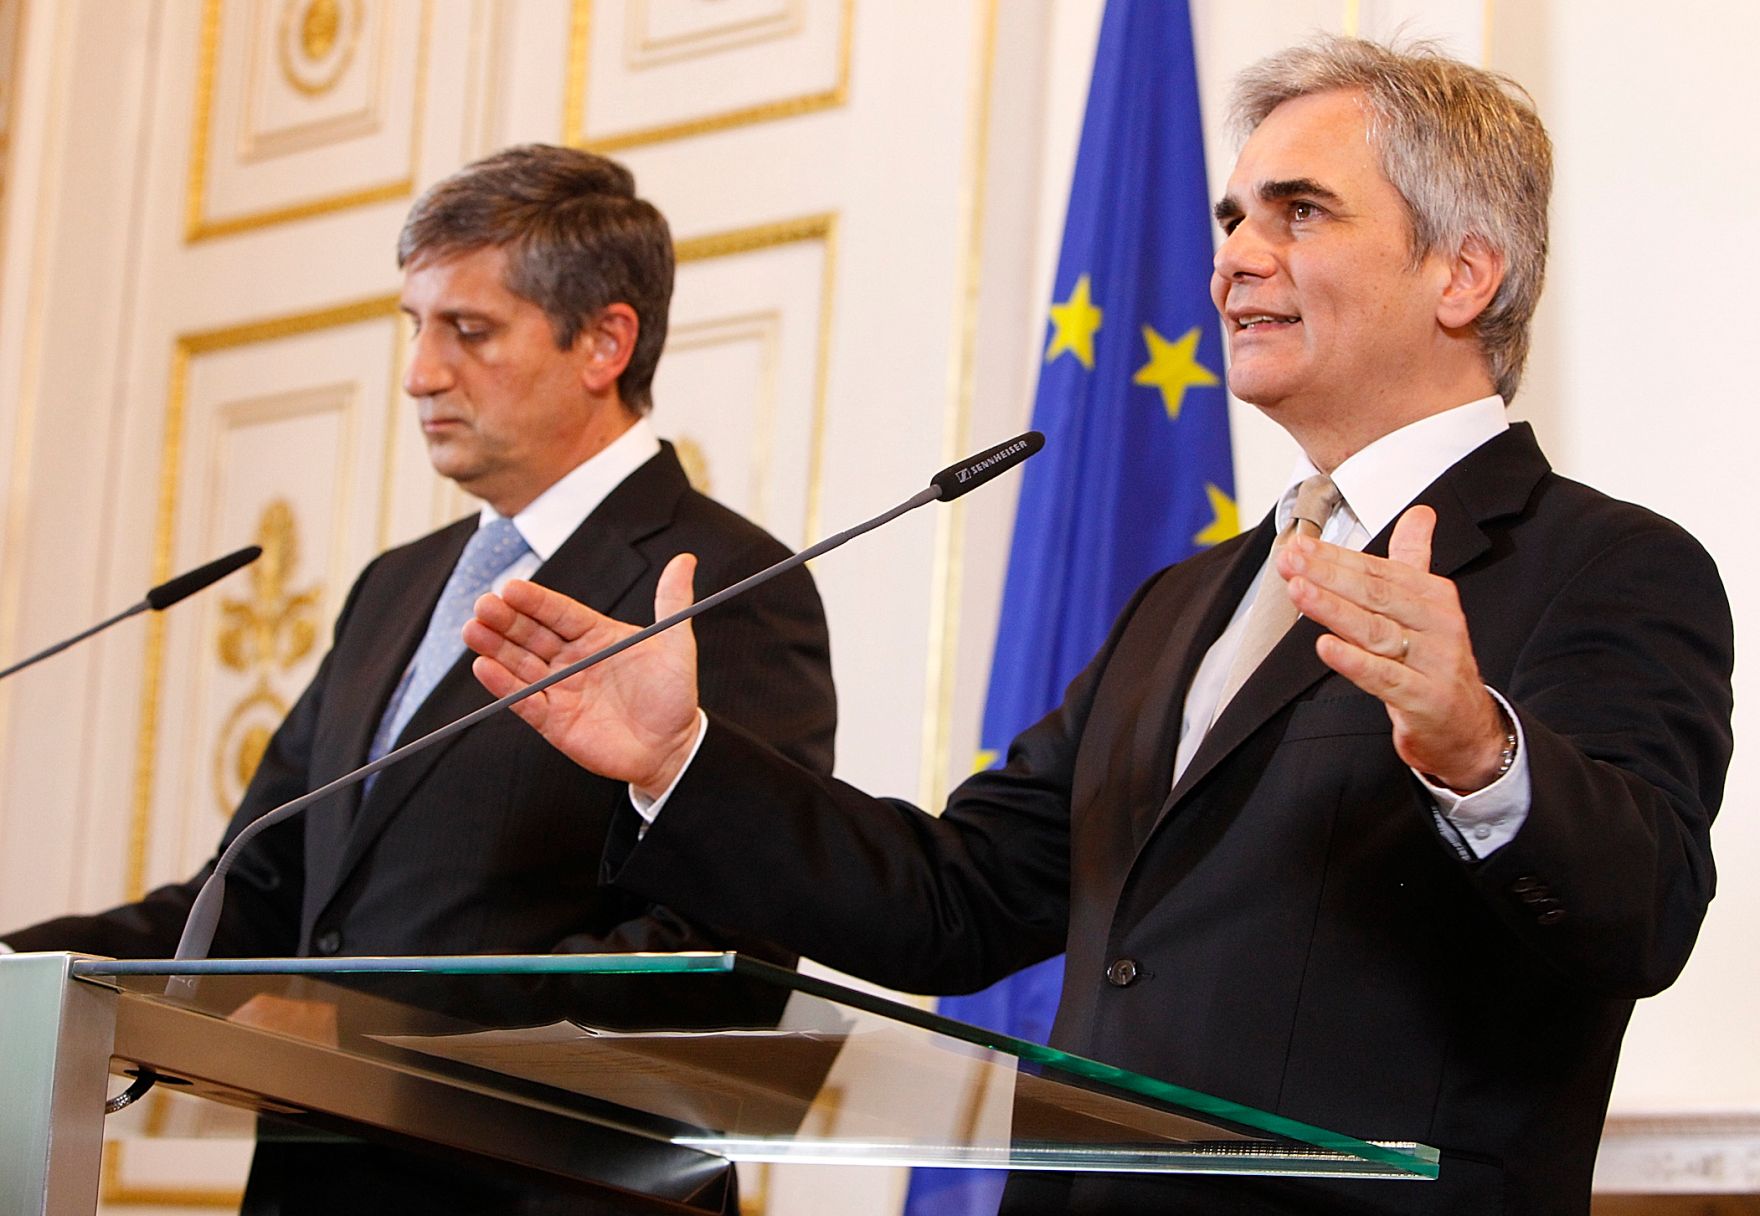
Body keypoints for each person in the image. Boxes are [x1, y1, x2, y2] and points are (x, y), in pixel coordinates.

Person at [464, 40, 1734, 1216]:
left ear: (1462, 271)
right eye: (1229, 219)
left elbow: (1642, 913)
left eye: (1298, 212)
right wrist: (678, 759)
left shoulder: (1607, 567)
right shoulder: (1181, 601)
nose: (1233, 258)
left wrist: (1474, 750)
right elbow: (954, 899)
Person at [3, 145, 837, 1213]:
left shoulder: (723, 585)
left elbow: (710, 961)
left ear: (605, 342)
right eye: (416, 324)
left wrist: (370, 1027)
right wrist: (20, 971)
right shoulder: (395, 586)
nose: (419, 372)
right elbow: (256, 893)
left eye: (469, 331)